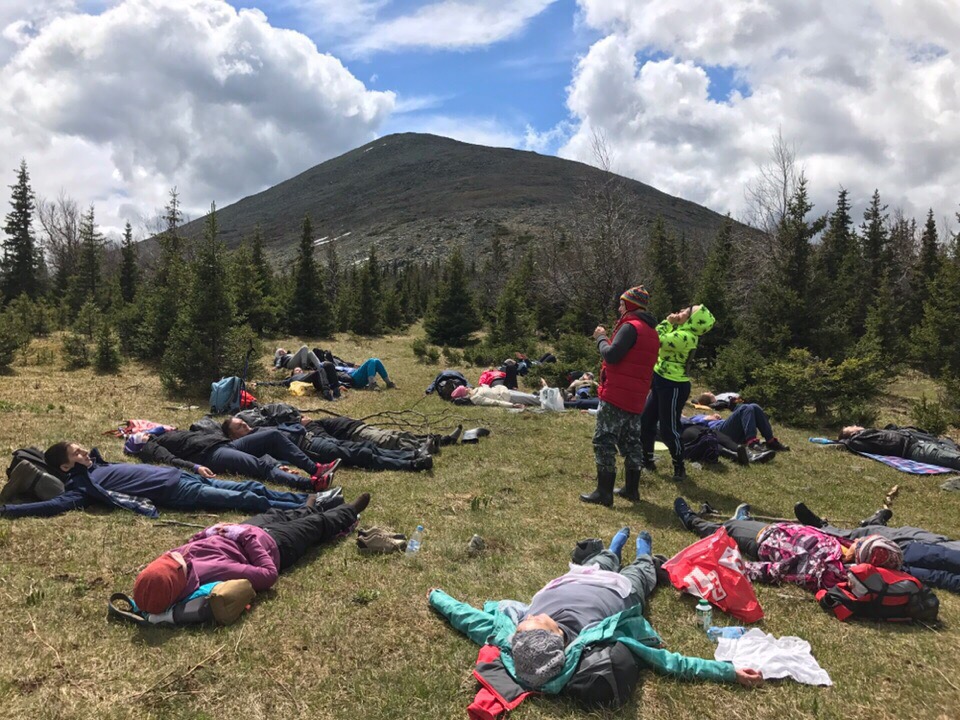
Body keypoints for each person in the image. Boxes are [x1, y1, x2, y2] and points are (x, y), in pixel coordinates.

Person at [428, 527, 762, 706]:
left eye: (528, 620)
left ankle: (614, 547)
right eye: (541, 620)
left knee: (601, 560)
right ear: (558, 637)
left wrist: (437, 597)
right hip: (619, 591)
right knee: (642, 573)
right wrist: (728, 672)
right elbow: (667, 660)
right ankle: (644, 551)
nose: (535, 615)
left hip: (577, 577)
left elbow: (469, 619)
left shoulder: (513, 638)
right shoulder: (596, 639)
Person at [133, 492, 370, 614]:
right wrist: (243, 536)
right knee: (317, 524)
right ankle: (348, 511)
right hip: (275, 546)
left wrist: (210, 531)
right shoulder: (212, 571)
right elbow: (267, 575)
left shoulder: (174, 561)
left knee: (278, 513)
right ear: (178, 577)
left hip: (245, 532)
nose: (178, 554)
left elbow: (192, 542)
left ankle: (306, 509)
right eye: (177, 560)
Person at [0, 443, 338, 519]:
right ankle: (310, 506)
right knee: (247, 500)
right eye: (76, 454)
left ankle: (303, 500)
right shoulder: (80, 487)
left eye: (80, 449)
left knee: (251, 488)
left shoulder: (94, 468)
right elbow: (55, 504)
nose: (83, 453)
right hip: (175, 491)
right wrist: (9, 511)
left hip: (182, 475)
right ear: (63, 467)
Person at [673, 498, 891, 592]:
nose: (860, 539)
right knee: (739, 524)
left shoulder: (822, 565)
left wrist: (742, 568)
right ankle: (744, 520)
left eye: (864, 542)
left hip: (763, 540)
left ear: (861, 553)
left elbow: (780, 571)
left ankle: (692, 521)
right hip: (775, 531)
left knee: (726, 528)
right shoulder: (844, 548)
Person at [583, 286, 660, 505]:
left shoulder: (630, 327)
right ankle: (632, 490)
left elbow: (612, 355)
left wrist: (601, 338)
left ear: (628, 305)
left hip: (617, 394)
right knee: (632, 442)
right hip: (636, 397)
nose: (619, 308)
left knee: (604, 440)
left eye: (621, 304)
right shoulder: (653, 332)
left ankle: (604, 492)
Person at [793, 502, 960, 592]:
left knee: (934, 568)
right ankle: (828, 529)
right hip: (914, 549)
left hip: (901, 559)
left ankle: (824, 529)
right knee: (933, 554)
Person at [132, 426, 338, 492]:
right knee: (260, 466)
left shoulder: (162, 434)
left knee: (273, 435)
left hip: (225, 444)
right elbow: (169, 460)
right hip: (212, 455)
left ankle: (315, 468)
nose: (146, 433)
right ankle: (310, 484)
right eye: (142, 435)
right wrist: (195, 467)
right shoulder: (152, 447)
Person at [640, 304, 715, 482]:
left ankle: (679, 466)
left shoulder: (686, 336)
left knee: (669, 428)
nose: (680, 312)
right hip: (661, 379)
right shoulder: (682, 332)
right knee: (646, 421)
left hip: (673, 385)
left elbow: (655, 339)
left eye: (685, 312)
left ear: (692, 320)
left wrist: (667, 321)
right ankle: (647, 460)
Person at [222, 416, 434, 473]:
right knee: (359, 455)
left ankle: (414, 454)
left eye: (243, 423)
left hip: (313, 438)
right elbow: (263, 460)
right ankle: (411, 464)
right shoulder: (245, 445)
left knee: (364, 448)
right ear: (233, 436)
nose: (245, 426)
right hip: (309, 448)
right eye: (240, 426)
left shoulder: (257, 429)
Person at [837, 424, 960, 470]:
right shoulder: (857, 439)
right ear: (852, 433)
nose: (855, 425)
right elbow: (849, 443)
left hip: (919, 443)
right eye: (851, 427)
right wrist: (845, 440)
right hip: (915, 450)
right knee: (954, 459)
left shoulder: (868, 434)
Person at [687, 404, 789, 451]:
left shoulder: (697, 415)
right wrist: (707, 418)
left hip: (731, 431)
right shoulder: (691, 419)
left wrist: (714, 417)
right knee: (746, 408)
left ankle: (771, 441)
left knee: (755, 407)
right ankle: (752, 442)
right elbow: (694, 427)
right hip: (719, 432)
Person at [450, 384, 539, 408]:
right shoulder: (475, 398)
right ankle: (551, 401)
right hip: (508, 397)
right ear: (463, 394)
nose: (467, 387)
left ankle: (548, 396)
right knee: (534, 399)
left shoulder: (476, 390)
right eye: (464, 388)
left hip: (506, 391)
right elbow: (494, 402)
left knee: (530, 396)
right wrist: (512, 405)